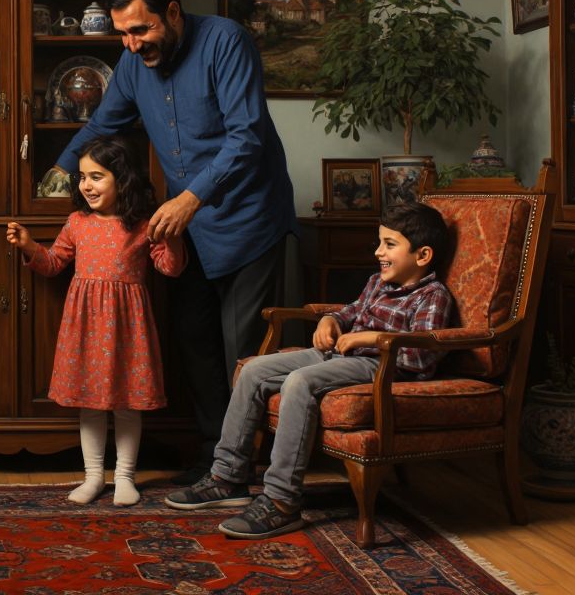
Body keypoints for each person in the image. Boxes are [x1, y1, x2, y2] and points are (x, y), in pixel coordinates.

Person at [54, 0, 296, 483]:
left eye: (140, 30)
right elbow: (104, 123)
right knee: (195, 340)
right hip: (187, 229)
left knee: (244, 350)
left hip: (249, 220)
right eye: (122, 33)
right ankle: (215, 457)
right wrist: (57, 171)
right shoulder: (131, 62)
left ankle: (246, 467)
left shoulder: (226, 40)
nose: (131, 44)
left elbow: (247, 134)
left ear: (172, 12)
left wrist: (191, 197)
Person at [163, 202, 456, 539]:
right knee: (253, 370)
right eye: (380, 242)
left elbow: (422, 358)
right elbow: (349, 312)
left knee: (299, 382)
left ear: (422, 256)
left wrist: (373, 338)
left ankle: (282, 501)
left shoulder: (434, 296)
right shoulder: (378, 282)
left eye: (389, 244)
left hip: (379, 366)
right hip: (337, 354)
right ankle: (226, 478)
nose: (379, 252)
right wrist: (331, 320)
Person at [7, 136, 186, 506]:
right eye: (82, 177)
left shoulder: (143, 224)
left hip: (127, 327)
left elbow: (170, 268)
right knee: (89, 404)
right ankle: (92, 477)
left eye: (97, 176)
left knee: (126, 403)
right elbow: (54, 262)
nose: (86, 185)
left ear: (122, 179)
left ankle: (124, 477)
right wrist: (28, 246)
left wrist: (175, 236)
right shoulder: (77, 222)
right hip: (85, 326)